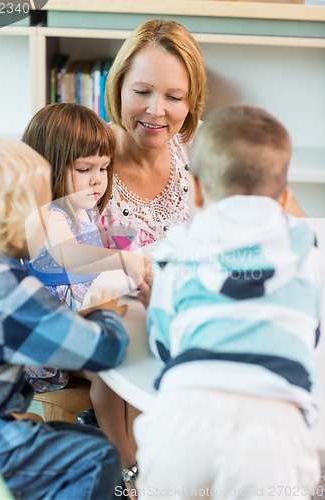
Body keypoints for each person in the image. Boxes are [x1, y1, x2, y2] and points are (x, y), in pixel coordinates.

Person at [133, 105, 324, 499]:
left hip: (184, 416)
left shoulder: (178, 248)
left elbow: (163, 343)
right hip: (277, 429)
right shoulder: (308, 247)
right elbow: (313, 330)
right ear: (285, 196)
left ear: (197, 189)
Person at [0, 135, 129, 499]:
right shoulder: (7, 290)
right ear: (15, 221)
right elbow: (103, 353)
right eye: (43, 207)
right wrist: (105, 313)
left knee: (77, 436)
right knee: (97, 456)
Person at [22, 103, 139, 492]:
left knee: (131, 348)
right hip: (44, 339)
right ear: (48, 166)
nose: (97, 181)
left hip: (73, 320)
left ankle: (130, 445)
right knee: (108, 365)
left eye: (103, 168)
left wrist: (119, 243)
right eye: (84, 169)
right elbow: (68, 256)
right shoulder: (44, 216)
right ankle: (122, 458)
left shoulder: (80, 209)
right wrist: (120, 258)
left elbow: (88, 257)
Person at [98, 19, 208, 248]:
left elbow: (287, 224)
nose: (156, 111)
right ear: (118, 88)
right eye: (141, 91)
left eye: (174, 97)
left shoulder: (205, 144)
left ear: (191, 102)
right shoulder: (82, 157)